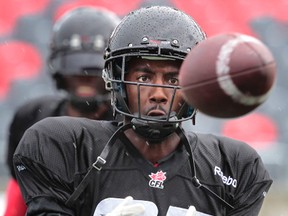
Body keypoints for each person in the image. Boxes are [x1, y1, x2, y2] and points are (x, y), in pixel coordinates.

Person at [13, 6, 272, 216]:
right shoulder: (65, 146)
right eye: (145, 77)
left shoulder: (234, 165)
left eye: (172, 80)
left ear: (193, 88)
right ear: (117, 81)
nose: (158, 93)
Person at [5, 6, 120, 216]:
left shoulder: (130, 127)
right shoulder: (30, 118)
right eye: (76, 68)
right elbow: (20, 190)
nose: (84, 76)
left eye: (93, 70)